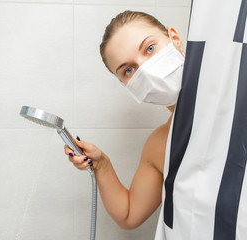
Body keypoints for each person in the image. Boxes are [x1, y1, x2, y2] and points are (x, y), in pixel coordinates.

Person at [64, 10, 185, 230]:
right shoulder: (159, 144)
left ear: (175, 39)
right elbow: (129, 214)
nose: (146, 71)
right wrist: (102, 165)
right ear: (127, 86)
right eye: (129, 70)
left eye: (150, 48)